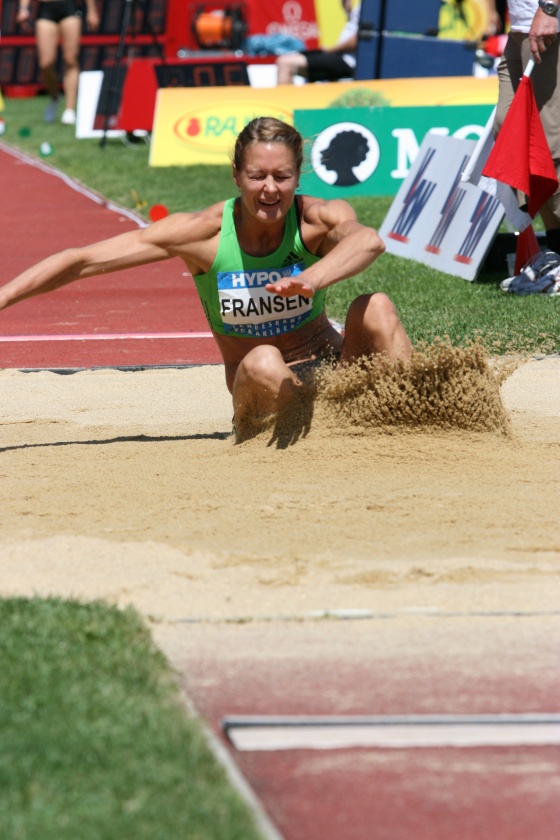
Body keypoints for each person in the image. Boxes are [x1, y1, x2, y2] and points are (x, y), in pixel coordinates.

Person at [0, 117, 412, 441]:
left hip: (333, 373)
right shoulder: (203, 235)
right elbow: (80, 261)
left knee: (375, 306)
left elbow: (369, 241)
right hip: (261, 387)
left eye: (282, 177)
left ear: (298, 177)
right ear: (236, 175)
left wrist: (312, 277)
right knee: (265, 358)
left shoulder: (315, 220)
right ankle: (315, 436)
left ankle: (418, 417)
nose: (270, 189)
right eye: (257, 176)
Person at [490, 0, 560, 253]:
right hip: (520, 27)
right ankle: (555, 253)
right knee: (511, 134)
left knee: (550, 150)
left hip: (549, 24)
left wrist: (549, 9)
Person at [16, 0, 100, 125]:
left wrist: (92, 11)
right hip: (46, 8)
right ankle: (54, 96)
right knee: (46, 62)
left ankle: (69, 109)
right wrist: (23, 8)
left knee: (71, 58)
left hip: (69, 8)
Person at [276, 0, 360, 85]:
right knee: (290, 56)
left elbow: (358, 40)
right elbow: (354, 28)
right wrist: (348, 11)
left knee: (284, 63)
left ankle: (284, 98)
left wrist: (331, 50)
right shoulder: (361, 7)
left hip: (347, 61)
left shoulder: (369, 6)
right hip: (341, 56)